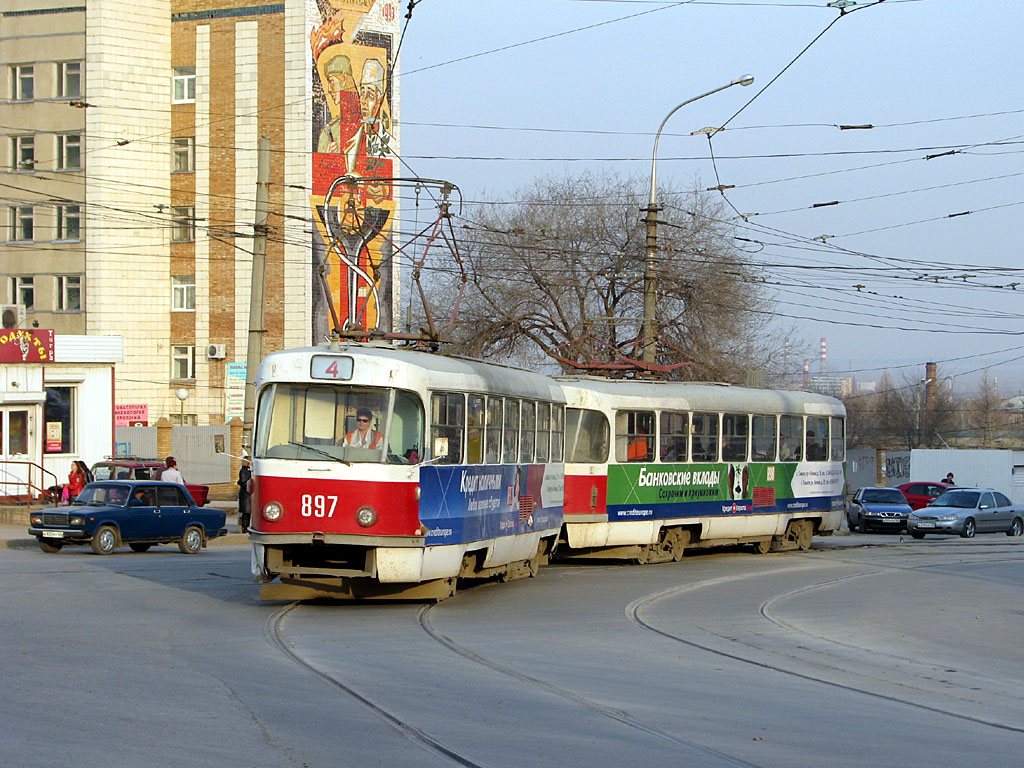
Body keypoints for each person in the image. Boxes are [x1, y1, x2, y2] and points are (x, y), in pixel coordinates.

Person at [237, 459, 252, 532]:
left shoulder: (248, 470)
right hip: (245, 494)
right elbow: (242, 481)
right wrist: (248, 485)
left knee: (247, 512)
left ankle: (246, 526)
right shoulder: (244, 471)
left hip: (247, 494)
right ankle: (245, 527)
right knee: (246, 511)